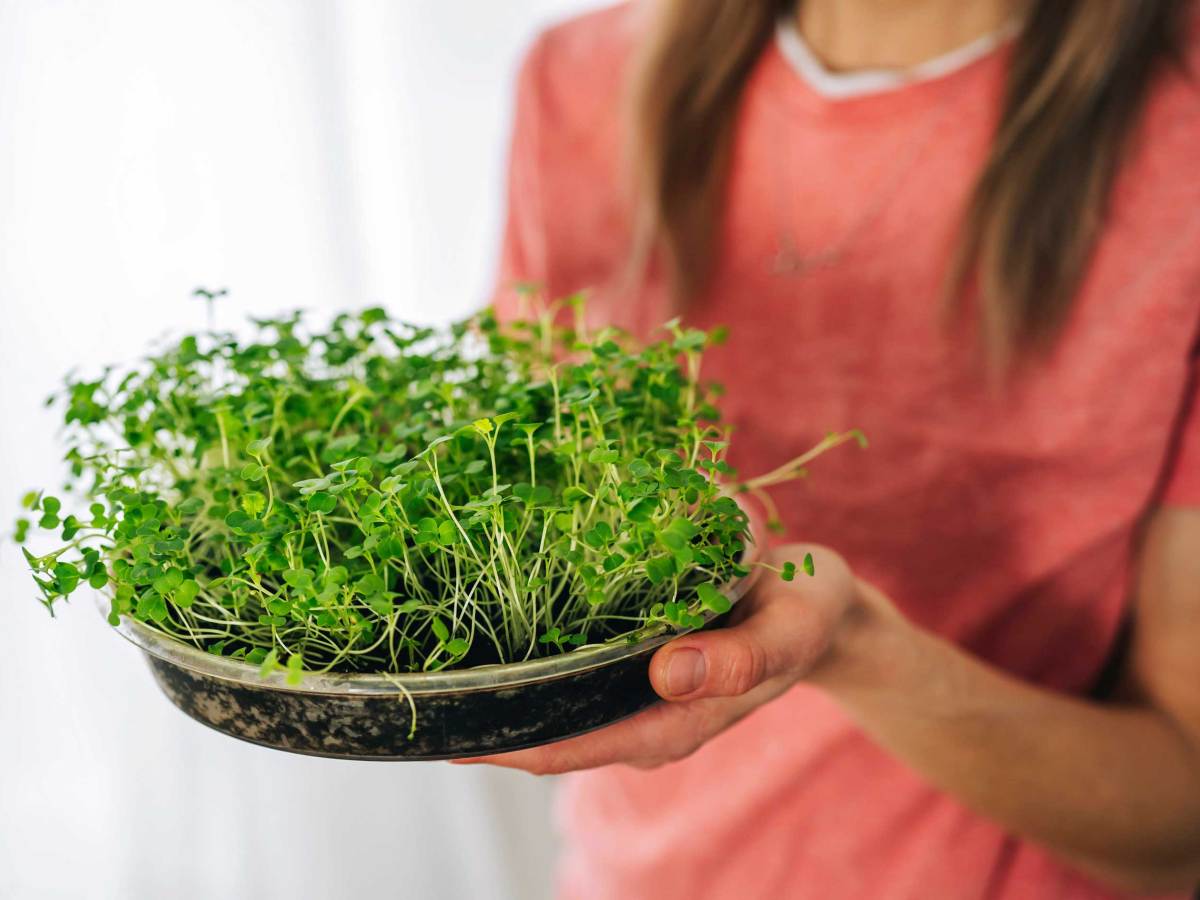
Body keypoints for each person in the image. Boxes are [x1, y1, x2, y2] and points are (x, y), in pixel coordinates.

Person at [458, 1, 1200, 897]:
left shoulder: (1176, 130)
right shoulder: (580, 75)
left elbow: (1180, 813)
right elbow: (508, 482)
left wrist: (854, 645)